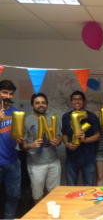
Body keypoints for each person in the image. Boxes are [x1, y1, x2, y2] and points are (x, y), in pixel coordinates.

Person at [17, 93, 62, 204]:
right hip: (35, 165)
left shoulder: (53, 119)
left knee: (53, 193)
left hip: (54, 162)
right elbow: (22, 146)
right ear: (32, 106)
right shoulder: (26, 121)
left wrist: (57, 142)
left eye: (43, 102)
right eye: (37, 103)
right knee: (37, 194)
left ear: (46, 105)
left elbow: (59, 138)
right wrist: (31, 146)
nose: (41, 105)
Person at [62, 91, 100, 186]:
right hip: (71, 159)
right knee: (71, 189)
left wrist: (85, 139)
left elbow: (98, 135)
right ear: (71, 101)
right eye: (75, 99)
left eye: (80, 99)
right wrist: (67, 144)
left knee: (88, 189)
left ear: (84, 101)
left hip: (88, 159)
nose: (77, 101)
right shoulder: (66, 116)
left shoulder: (91, 117)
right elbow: (64, 134)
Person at [0, 80, 20, 220]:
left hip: (12, 161)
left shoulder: (16, 113)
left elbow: (19, 136)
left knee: (14, 195)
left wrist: (20, 139)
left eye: (11, 93)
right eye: (4, 92)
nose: (8, 96)